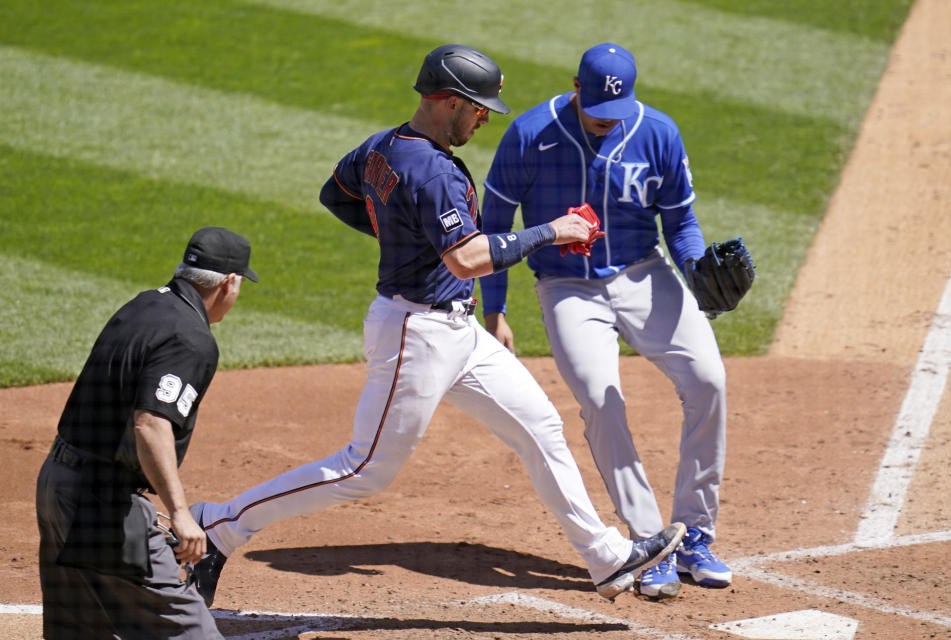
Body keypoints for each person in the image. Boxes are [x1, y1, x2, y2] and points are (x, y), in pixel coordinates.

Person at [188, 43, 684, 607]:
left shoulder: (382, 146)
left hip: (459, 332)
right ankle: (217, 526)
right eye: (478, 108)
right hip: (416, 333)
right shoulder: (434, 171)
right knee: (365, 468)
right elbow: (467, 260)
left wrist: (404, 237)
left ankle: (607, 558)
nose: (483, 118)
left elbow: (338, 195)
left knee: (540, 426)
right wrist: (551, 231)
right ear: (450, 101)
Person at [478, 43, 732, 599]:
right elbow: (492, 224)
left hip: (644, 272)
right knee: (600, 398)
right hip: (566, 284)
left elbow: (680, 222)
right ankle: (650, 543)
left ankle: (696, 534)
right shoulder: (529, 134)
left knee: (709, 380)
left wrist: (696, 272)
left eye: (614, 115)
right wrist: (493, 311)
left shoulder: (658, 132)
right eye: (595, 111)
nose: (604, 124)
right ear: (575, 87)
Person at [36, 227, 258, 639]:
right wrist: (180, 512)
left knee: (79, 631)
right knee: (189, 631)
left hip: (57, 483)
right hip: (100, 506)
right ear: (229, 282)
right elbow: (151, 424)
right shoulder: (192, 339)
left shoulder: (143, 305)